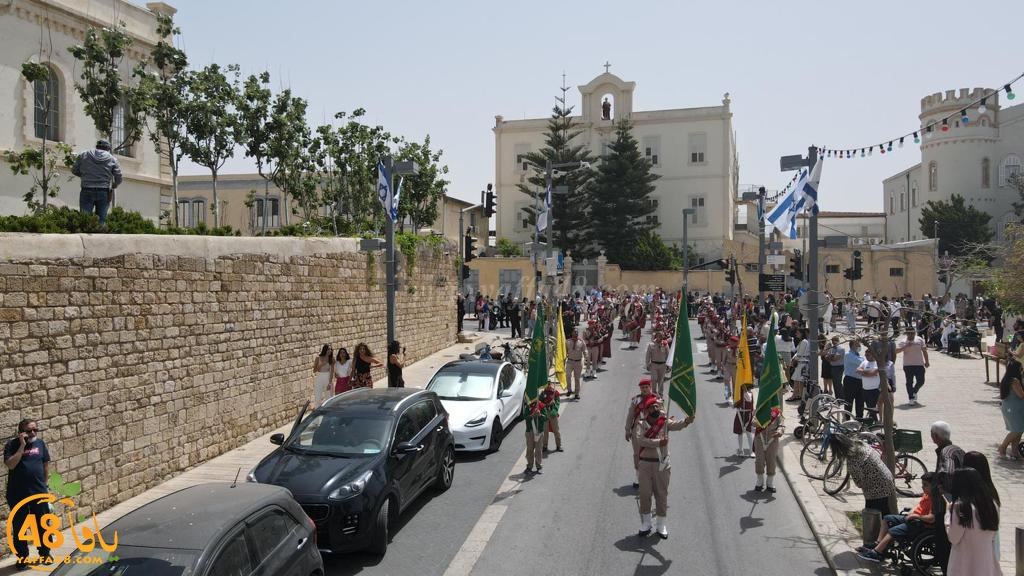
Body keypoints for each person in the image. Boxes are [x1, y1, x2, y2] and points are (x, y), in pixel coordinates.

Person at [633, 396, 695, 538]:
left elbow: (677, 425)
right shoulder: (641, 424)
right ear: (647, 410)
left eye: (656, 407)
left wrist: (686, 421)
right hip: (645, 463)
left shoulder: (664, 422)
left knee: (661, 494)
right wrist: (658, 442)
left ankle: (661, 525)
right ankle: (646, 523)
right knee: (645, 493)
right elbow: (641, 440)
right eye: (651, 407)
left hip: (662, 463)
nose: (654, 409)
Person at [4, 419, 52, 567]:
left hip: (38, 492)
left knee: (42, 525)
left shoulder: (41, 444)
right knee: (20, 527)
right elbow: (10, 465)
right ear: (21, 432)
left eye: (35, 430)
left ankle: (45, 554)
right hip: (17, 494)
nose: (33, 433)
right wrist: (22, 446)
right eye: (29, 430)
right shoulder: (12, 445)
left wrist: (44, 485)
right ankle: (23, 558)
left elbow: (45, 465)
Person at [857, 472, 935, 563]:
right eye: (922, 484)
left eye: (925, 485)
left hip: (920, 524)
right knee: (887, 519)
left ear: (934, 486)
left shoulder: (935, 500)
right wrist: (912, 511)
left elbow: (931, 518)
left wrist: (916, 516)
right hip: (912, 518)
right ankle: (878, 544)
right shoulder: (926, 495)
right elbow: (919, 505)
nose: (922, 487)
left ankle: (876, 553)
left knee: (893, 531)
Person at [946, 468, 1002, 576]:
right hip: (987, 564)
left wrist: (948, 513)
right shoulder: (992, 505)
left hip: (963, 565)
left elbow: (954, 538)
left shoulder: (960, 507)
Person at [931, 420, 966, 575]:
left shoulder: (946, 453)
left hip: (946, 508)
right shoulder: (957, 450)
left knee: (944, 546)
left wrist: (941, 488)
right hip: (957, 505)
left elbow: (949, 473)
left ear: (935, 436)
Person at [72, 139, 122, 227]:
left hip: (86, 189)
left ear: (97, 146)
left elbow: (74, 170)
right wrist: (114, 185)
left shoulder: (84, 154)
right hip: (104, 192)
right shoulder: (112, 159)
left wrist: (85, 177)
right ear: (108, 148)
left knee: (84, 219)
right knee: (101, 220)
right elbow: (118, 177)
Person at [625, 378, 656, 488]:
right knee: (638, 454)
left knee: (653, 454)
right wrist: (627, 430)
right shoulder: (636, 400)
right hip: (637, 431)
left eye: (646, 387)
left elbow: (662, 417)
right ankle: (638, 475)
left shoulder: (656, 400)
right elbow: (630, 416)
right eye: (642, 388)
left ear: (650, 387)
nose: (644, 389)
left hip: (652, 431)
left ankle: (653, 476)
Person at [753, 406, 784, 493]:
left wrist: (780, 431)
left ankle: (770, 482)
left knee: (771, 461)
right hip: (760, 438)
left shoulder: (777, 412)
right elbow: (753, 420)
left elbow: (782, 424)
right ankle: (760, 481)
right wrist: (755, 422)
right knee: (759, 460)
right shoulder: (759, 409)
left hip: (772, 439)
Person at [896, 327, 930, 406]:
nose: (911, 335)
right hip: (908, 365)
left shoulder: (919, 340)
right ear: (906, 333)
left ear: (915, 333)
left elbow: (924, 351)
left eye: (912, 333)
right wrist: (905, 346)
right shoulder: (903, 341)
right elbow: (896, 351)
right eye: (909, 333)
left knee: (921, 381)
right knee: (909, 382)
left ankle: (914, 392)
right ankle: (911, 398)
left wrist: (927, 361)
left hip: (919, 364)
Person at [997, 360, 1024, 460]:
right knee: (1017, 430)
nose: (1022, 370)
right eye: (1021, 369)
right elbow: (1021, 395)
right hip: (1014, 409)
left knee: (1019, 430)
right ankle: (1003, 447)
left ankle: (1014, 452)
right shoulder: (1014, 381)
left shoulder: (1007, 379)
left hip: (1013, 408)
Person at [523, 397, 548, 476]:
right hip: (530, 431)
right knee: (530, 450)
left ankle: (539, 466)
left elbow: (545, 418)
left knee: (538, 450)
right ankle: (529, 466)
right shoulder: (528, 407)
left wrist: (540, 415)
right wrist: (532, 416)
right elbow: (525, 417)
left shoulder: (541, 406)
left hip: (539, 432)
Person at [843, 340, 866, 419]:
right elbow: (861, 363)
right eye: (857, 344)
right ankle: (847, 419)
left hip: (860, 381)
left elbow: (864, 362)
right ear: (852, 345)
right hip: (850, 380)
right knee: (848, 402)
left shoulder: (860, 356)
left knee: (860, 402)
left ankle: (859, 419)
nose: (859, 346)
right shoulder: (848, 354)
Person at [857, 348, 881, 420]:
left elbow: (872, 373)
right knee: (868, 407)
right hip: (865, 389)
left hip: (874, 390)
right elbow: (857, 370)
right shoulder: (864, 362)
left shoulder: (877, 363)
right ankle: (873, 421)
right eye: (865, 355)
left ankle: (875, 421)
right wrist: (867, 373)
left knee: (872, 407)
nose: (866, 356)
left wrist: (863, 373)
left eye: (868, 355)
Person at [540, 381, 562, 453]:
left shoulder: (555, 393)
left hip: (553, 414)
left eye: (549, 385)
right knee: (545, 431)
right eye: (546, 385)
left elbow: (558, 402)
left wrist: (554, 409)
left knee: (556, 430)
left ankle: (559, 445)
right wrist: (547, 405)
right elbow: (540, 403)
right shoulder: (543, 394)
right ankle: (545, 446)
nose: (548, 386)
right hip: (545, 413)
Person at [733, 383, 754, 457]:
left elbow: (748, 399)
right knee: (740, 433)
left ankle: (751, 451)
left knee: (749, 433)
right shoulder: (739, 394)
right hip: (740, 414)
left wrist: (745, 391)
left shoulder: (750, 393)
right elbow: (735, 403)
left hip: (747, 415)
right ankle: (740, 449)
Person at [565, 328, 585, 399]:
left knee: (577, 378)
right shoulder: (567, 342)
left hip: (578, 362)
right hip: (569, 362)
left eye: (576, 332)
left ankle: (577, 393)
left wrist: (586, 358)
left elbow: (585, 351)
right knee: (568, 376)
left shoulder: (581, 342)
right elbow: (565, 351)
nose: (575, 333)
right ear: (572, 333)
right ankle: (569, 390)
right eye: (574, 332)